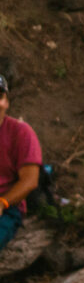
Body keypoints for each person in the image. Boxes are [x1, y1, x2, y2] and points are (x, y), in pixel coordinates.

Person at [0, 78, 42, 254]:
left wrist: (2, 203)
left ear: (7, 102)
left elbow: (30, 180)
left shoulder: (21, 132)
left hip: (7, 208)